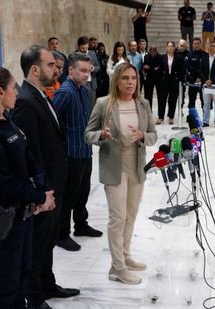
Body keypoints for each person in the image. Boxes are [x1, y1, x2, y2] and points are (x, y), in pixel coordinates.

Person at [0, 66, 55, 309]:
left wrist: (42, 190)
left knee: (23, 272)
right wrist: (39, 196)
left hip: (23, 214)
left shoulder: (7, 120)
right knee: (7, 280)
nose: (17, 92)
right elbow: (4, 183)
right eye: (13, 88)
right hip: (5, 218)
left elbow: (28, 156)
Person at [13, 45, 80, 308]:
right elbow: (30, 153)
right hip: (45, 190)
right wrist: (43, 192)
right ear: (34, 69)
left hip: (55, 185)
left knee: (49, 241)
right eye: (51, 65)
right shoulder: (25, 101)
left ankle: (49, 285)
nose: (57, 69)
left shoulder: (40, 95)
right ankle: (36, 298)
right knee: (37, 246)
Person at [84, 62, 157, 284]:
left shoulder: (142, 104)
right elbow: (88, 134)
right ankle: (117, 267)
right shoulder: (104, 103)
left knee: (131, 214)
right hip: (114, 165)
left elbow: (154, 134)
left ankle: (125, 256)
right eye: (125, 78)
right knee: (118, 217)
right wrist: (102, 136)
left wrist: (143, 136)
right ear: (116, 80)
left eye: (133, 78)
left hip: (136, 164)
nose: (130, 82)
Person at [53, 52, 103, 252]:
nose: (86, 75)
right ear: (70, 70)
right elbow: (52, 119)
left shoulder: (83, 89)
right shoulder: (65, 92)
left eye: (88, 71)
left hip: (85, 150)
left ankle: (81, 225)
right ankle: (61, 234)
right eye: (82, 71)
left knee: (82, 192)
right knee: (68, 196)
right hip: (70, 154)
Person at [158, 41, 185, 125]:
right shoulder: (162, 57)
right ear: (166, 47)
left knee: (172, 100)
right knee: (162, 99)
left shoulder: (179, 58)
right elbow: (159, 69)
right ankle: (160, 117)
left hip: (174, 80)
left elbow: (182, 70)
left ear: (174, 47)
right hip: (164, 80)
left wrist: (179, 79)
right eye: (168, 46)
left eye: (172, 46)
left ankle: (171, 117)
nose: (170, 48)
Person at [201, 40, 215, 128]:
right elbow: (200, 70)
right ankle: (205, 121)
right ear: (208, 47)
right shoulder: (204, 57)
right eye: (211, 46)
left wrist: (212, 80)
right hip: (206, 85)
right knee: (206, 104)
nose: (212, 47)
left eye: (214, 46)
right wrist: (206, 80)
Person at [76, 36, 100, 107]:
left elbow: (98, 67)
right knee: (81, 105)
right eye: (82, 48)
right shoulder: (74, 55)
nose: (84, 50)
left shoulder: (92, 54)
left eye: (86, 48)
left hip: (91, 84)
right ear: (78, 46)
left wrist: (92, 68)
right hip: (79, 84)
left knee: (91, 105)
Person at [143, 46, 163, 112]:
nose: (153, 53)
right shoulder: (146, 57)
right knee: (148, 96)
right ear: (149, 51)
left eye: (154, 51)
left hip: (159, 78)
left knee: (160, 96)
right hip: (149, 78)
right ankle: (148, 110)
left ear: (156, 51)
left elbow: (161, 68)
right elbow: (145, 67)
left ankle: (160, 113)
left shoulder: (160, 57)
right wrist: (154, 68)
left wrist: (151, 68)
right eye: (151, 51)